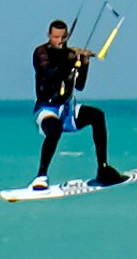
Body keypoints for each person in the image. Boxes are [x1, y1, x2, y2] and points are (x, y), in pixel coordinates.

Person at [31, 19, 126, 187]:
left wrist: (84, 63)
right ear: (49, 36)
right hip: (47, 109)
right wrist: (70, 56)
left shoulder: (69, 55)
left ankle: (103, 168)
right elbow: (49, 73)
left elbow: (80, 85)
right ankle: (41, 176)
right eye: (55, 37)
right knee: (54, 129)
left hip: (67, 109)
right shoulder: (41, 52)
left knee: (97, 115)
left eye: (62, 37)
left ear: (67, 36)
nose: (59, 41)